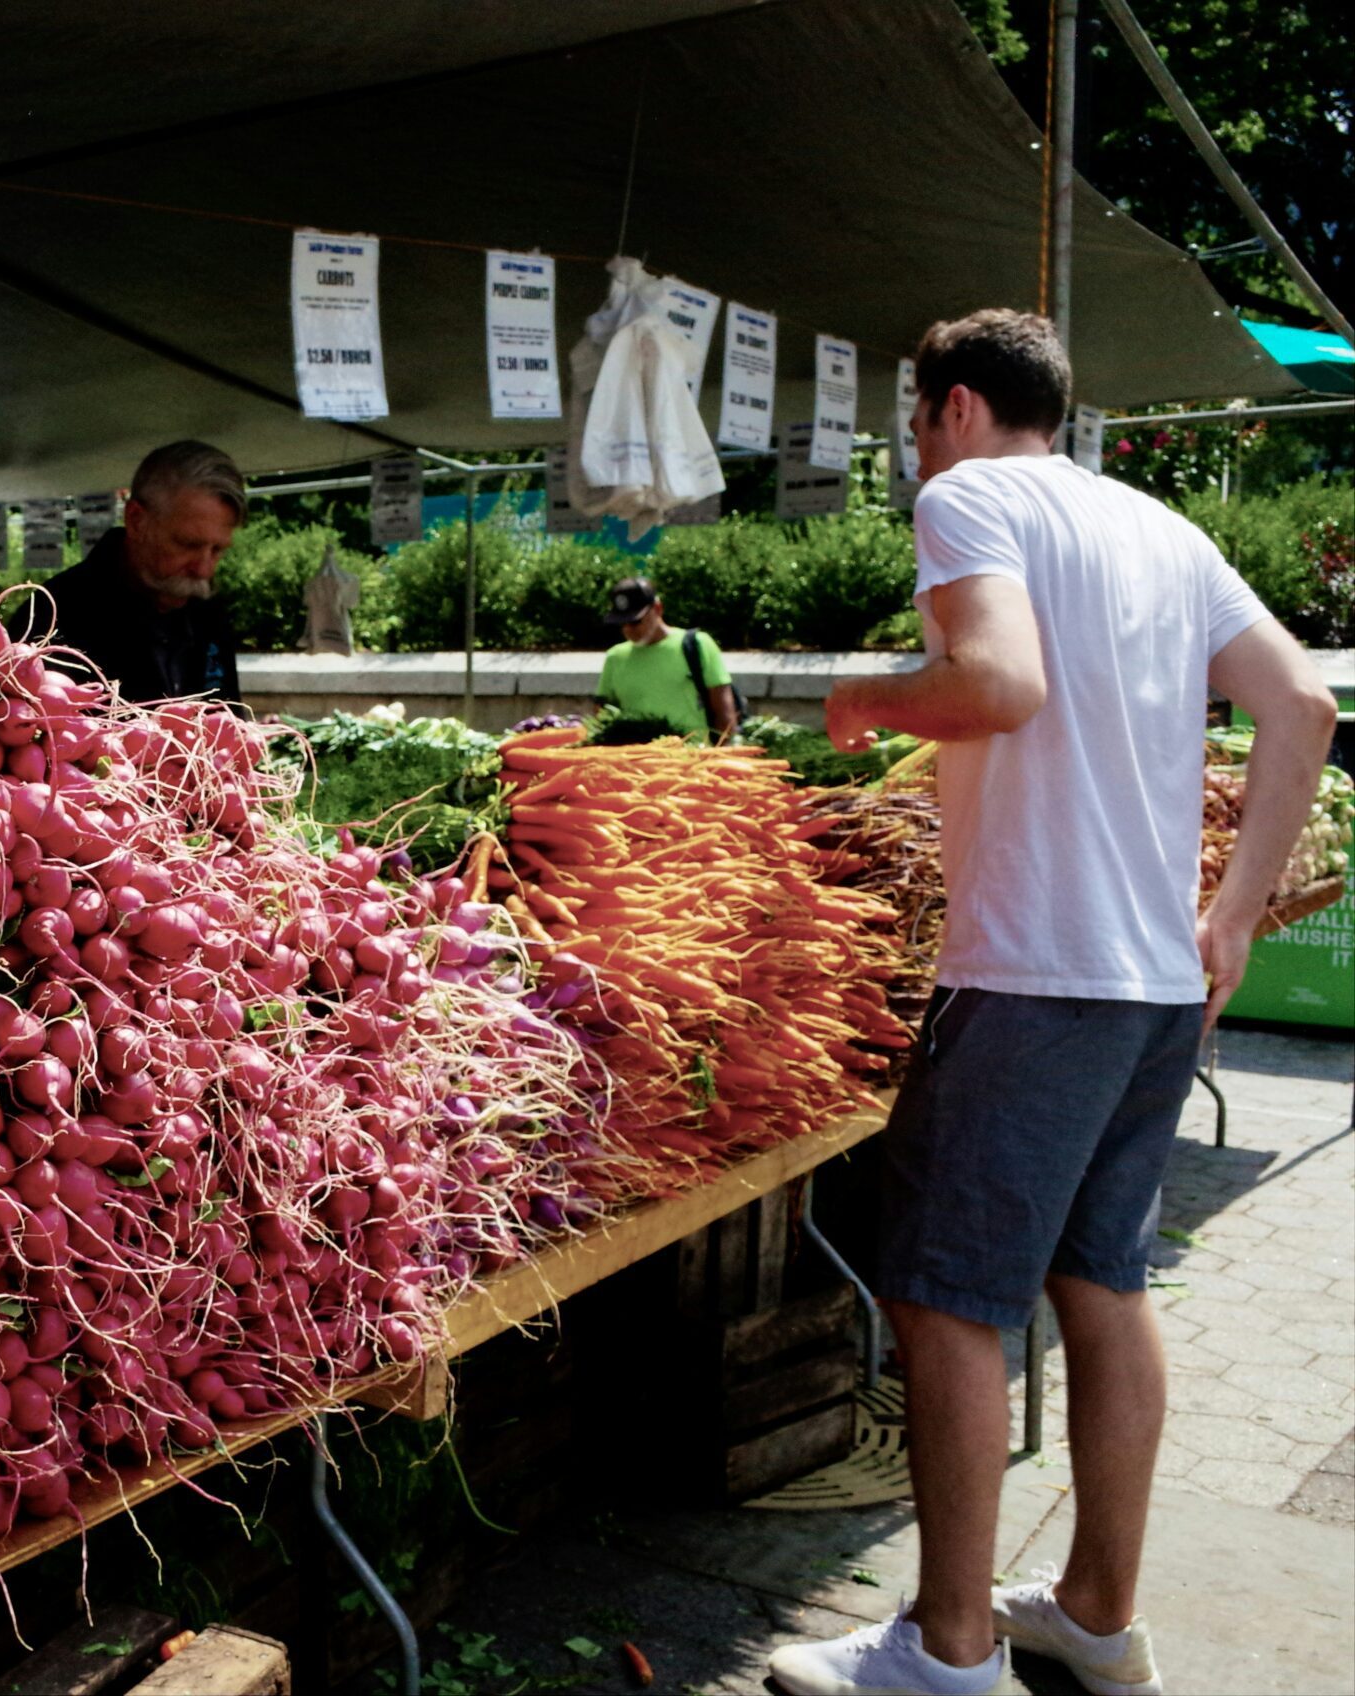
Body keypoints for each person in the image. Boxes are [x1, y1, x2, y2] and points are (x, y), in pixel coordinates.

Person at [767, 310, 1336, 1696]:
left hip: (1032, 977)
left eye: (913, 425)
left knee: (950, 1303)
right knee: (1107, 1283)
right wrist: (1234, 920)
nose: (915, 454)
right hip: (1153, 983)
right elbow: (1304, 706)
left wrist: (867, 698)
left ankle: (949, 1651)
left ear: (951, 407)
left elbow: (998, 686)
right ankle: (1093, 1615)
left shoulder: (969, 495)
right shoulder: (1162, 529)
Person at [14, 440, 244, 706]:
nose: (204, 569)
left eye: (218, 550)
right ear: (136, 520)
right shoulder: (51, 617)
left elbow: (232, 719)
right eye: (187, 544)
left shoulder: (208, 611)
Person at [595, 575, 737, 742]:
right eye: (622, 622)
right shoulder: (615, 657)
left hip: (694, 759)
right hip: (634, 762)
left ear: (657, 609)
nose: (628, 629)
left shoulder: (697, 645)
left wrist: (719, 757)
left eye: (635, 621)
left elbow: (725, 715)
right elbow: (602, 717)